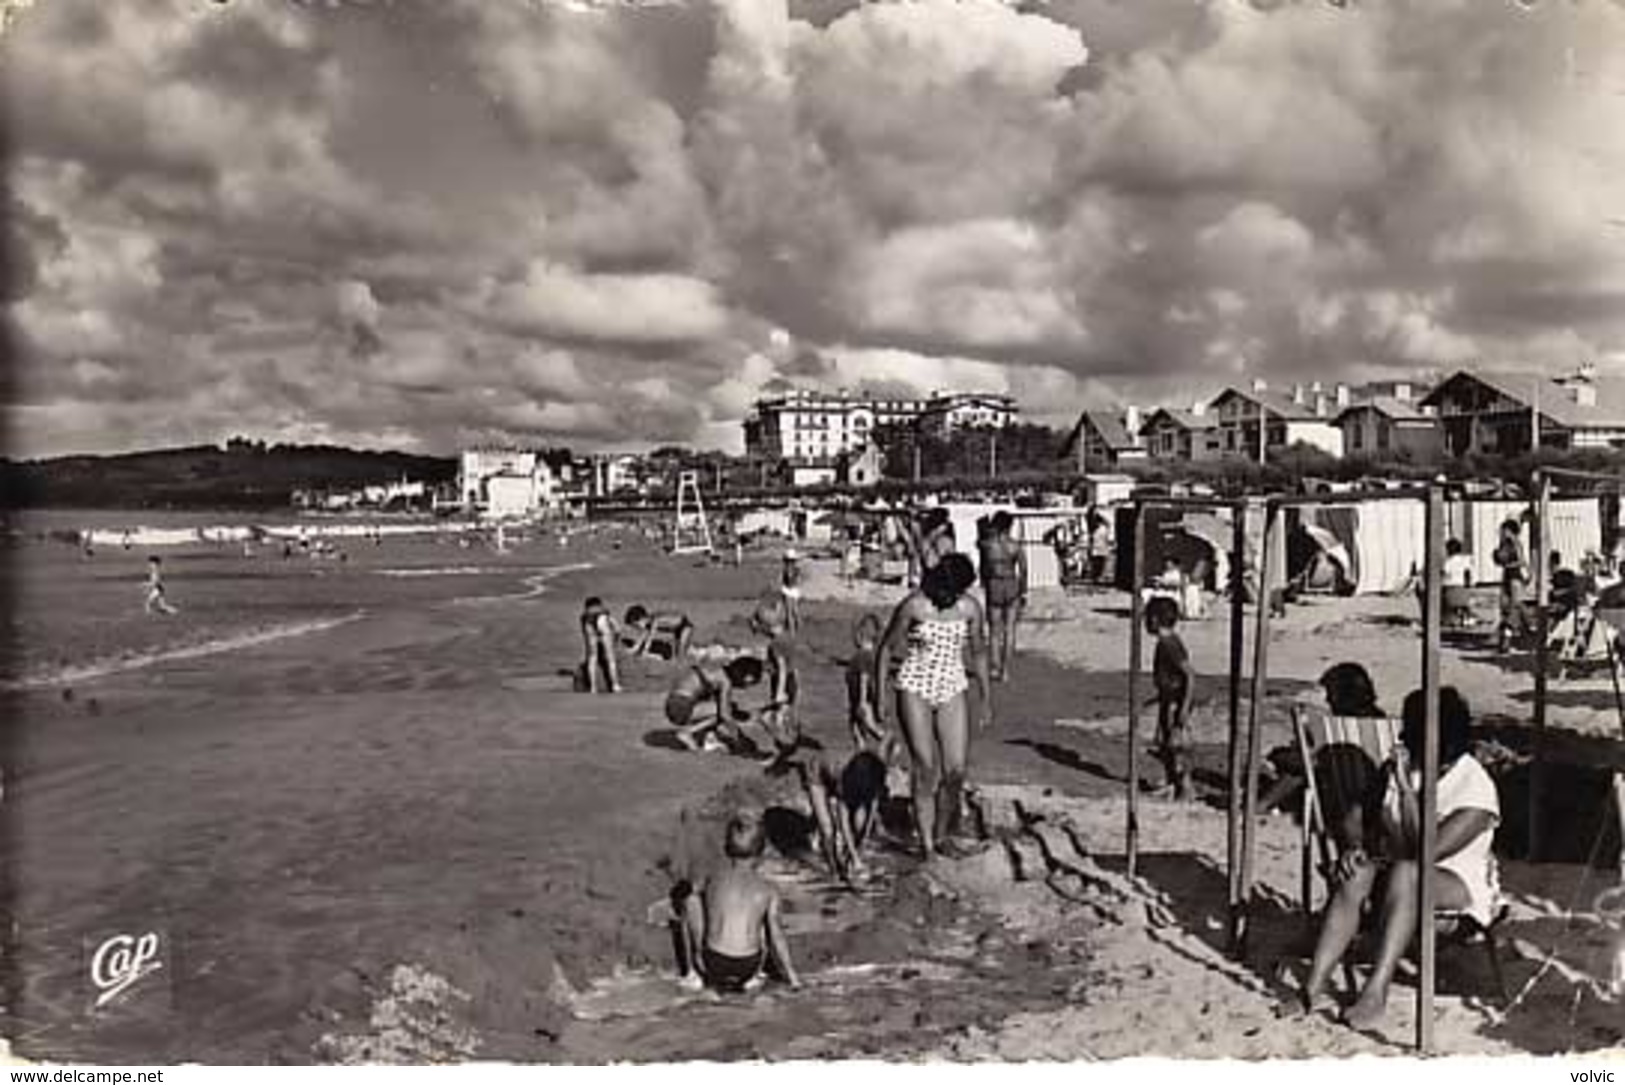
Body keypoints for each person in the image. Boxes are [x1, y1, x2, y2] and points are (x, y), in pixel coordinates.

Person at [1290, 686, 1500, 1028]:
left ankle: (1376, 991)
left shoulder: (1474, 785)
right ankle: (1311, 989)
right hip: (1398, 875)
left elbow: (1425, 852)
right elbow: (1355, 818)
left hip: (1459, 888)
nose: (1407, 743)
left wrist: (1405, 791)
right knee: (1357, 874)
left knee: (1407, 872)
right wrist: (1355, 848)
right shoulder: (1405, 765)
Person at [875, 553, 991, 860]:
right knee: (926, 766)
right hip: (915, 684)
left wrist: (986, 696)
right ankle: (926, 843)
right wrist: (878, 697)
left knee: (955, 770)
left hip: (952, 683)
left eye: (957, 591)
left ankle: (942, 834)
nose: (950, 596)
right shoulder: (915, 605)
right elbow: (886, 649)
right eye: (948, 589)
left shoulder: (969, 608)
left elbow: (978, 651)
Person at [677, 812, 801, 994]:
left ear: (726, 847)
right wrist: (793, 978)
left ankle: (692, 974)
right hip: (748, 965)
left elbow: (691, 891)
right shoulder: (768, 888)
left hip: (714, 961)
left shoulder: (713, 877)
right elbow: (777, 936)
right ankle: (754, 978)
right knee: (766, 918)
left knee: (691, 901)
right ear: (762, 851)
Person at [1147, 596, 1194, 800]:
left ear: (1155, 620)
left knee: (1176, 747)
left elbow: (1189, 675)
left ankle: (1186, 787)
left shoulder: (1169, 644)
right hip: (1168, 699)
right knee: (1165, 743)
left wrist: (1183, 708)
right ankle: (1171, 783)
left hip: (1176, 701)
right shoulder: (1166, 642)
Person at [669, 656, 764, 752]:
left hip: (673, 704)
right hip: (681, 708)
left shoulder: (716, 671)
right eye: (749, 684)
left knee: (721, 707)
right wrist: (740, 737)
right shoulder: (725, 682)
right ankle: (688, 733)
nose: (746, 687)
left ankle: (702, 738)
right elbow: (724, 714)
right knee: (726, 710)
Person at [978, 511, 1027, 683]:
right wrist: (1023, 591)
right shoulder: (1015, 546)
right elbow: (1023, 571)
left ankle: (994, 667)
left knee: (994, 630)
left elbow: (983, 568)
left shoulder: (988, 545)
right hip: (1011, 583)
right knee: (1010, 629)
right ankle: (1005, 671)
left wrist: (985, 583)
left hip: (995, 584)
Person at [751, 594, 801, 757]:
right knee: (777, 718)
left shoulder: (776, 644)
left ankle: (784, 749)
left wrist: (780, 692)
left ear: (766, 626)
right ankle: (783, 749)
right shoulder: (788, 637)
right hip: (791, 682)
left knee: (771, 719)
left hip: (783, 684)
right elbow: (791, 665)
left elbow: (782, 668)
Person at [846, 613, 886, 748]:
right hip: (856, 699)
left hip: (862, 700)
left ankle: (887, 741)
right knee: (855, 727)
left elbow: (864, 678)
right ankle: (862, 752)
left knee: (870, 725)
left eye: (854, 636)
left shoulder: (862, 657)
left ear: (860, 636)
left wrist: (862, 701)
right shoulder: (866, 656)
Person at [1493, 518, 1530, 653]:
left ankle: (1509, 640)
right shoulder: (1505, 543)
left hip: (1515, 576)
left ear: (1510, 531)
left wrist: (1508, 564)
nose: (1502, 532)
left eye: (1504, 530)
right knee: (1506, 606)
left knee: (1514, 606)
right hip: (1508, 575)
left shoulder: (1516, 543)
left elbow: (1522, 561)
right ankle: (1516, 635)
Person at [579, 597, 623, 693]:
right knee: (611, 659)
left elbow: (584, 635)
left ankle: (593, 687)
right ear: (599, 604)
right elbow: (617, 628)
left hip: (589, 623)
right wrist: (615, 640)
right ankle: (615, 685)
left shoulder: (585, 616)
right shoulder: (604, 613)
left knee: (592, 658)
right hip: (602, 623)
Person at [624, 605, 695, 661]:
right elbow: (642, 637)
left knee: (681, 655)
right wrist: (634, 649)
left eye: (636, 625)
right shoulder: (648, 624)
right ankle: (695, 651)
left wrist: (645, 651)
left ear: (642, 619)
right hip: (677, 630)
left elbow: (650, 637)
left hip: (685, 626)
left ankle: (700, 653)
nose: (636, 628)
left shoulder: (654, 620)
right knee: (677, 655)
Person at [1442, 538, 1475, 628]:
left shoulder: (1448, 562)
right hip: (1463, 591)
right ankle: (1466, 617)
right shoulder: (1465, 561)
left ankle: (1449, 618)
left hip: (1450, 591)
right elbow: (1468, 574)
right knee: (1464, 604)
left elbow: (1444, 574)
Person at [779, 552, 805, 636]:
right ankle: (797, 632)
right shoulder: (795, 569)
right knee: (793, 611)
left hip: (789, 590)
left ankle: (793, 633)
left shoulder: (788, 569)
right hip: (792, 590)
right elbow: (799, 581)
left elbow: (785, 580)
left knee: (791, 612)